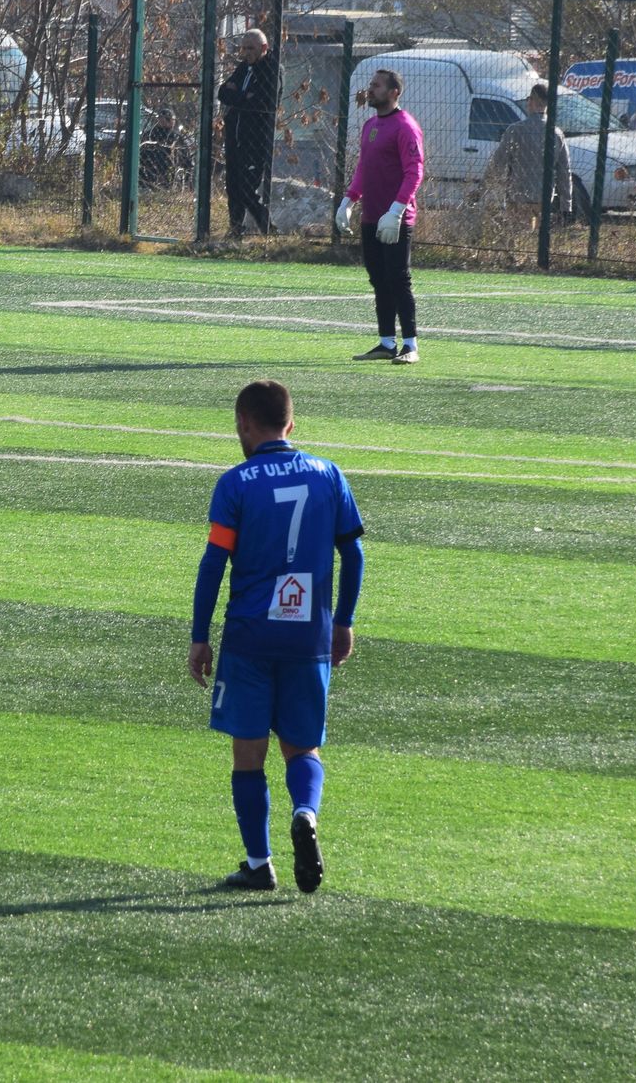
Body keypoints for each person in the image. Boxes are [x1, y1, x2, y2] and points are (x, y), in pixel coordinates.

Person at [189, 380, 365, 893]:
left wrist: (200, 635)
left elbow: (213, 563)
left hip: (250, 637)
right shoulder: (328, 474)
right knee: (302, 749)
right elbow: (352, 554)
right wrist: (343, 620)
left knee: (248, 754)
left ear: (244, 423)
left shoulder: (236, 482)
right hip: (308, 635)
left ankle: (258, 863)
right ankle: (306, 813)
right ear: (292, 424)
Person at [334, 68, 426, 364]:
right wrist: (349, 199)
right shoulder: (370, 125)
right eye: (371, 85)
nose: (370, 90)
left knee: (399, 279)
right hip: (372, 216)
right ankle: (387, 342)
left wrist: (397, 209)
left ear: (394, 92)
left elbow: (415, 172)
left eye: (376, 86)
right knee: (378, 279)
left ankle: (410, 346)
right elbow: (364, 168)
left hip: (395, 218)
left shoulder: (405, 127)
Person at [484, 83, 573, 236]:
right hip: (543, 197)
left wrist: (482, 189)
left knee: (518, 236)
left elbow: (498, 163)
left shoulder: (515, 130)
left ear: (531, 101)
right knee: (537, 238)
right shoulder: (556, 134)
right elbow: (564, 171)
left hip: (518, 195)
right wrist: (566, 205)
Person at [217, 28, 278, 235]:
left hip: (255, 140)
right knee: (233, 187)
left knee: (247, 188)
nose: (246, 52)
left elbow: (263, 99)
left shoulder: (272, 69)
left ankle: (268, 229)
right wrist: (244, 97)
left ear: (263, 48)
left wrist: (238, 97)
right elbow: (222, 93)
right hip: (235, 137)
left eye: (250, 48)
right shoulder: (244, 68)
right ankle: (235, 229)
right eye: (244, 48)